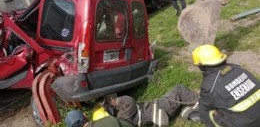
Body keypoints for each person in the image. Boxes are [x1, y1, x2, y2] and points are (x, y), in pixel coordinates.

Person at [192, 44, 260, 127]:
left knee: (205, 113)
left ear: (202, 66)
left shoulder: (210, 84)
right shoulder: (238, 68)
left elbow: (205, 106)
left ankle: (191, 116)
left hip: (245, 124)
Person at [65, 85, 200, 127]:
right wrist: (115, 102)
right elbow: (129, 102)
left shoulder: (119, 119)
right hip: (158, 110)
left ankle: (188, 112)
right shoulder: (123, 116)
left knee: (180, 103)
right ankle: (199, 107)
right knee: (179, 90)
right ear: (85, 117)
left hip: (148, 117)